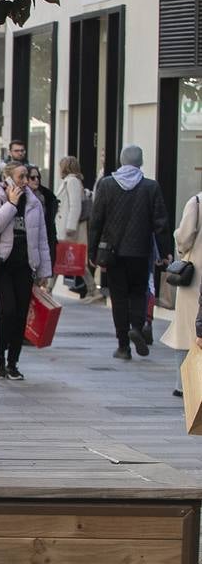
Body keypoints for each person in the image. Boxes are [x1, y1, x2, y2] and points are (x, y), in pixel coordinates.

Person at [88, 145, 174, 360]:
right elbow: (161, 223)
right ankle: (137, 326)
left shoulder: (107, 185)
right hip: (140, 251)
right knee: (138, 292)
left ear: (121, 160)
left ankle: (123, 346)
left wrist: (92, 251)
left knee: (118, 297)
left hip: (113, 253)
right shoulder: (151, 187)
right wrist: (165, 252)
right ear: (141, 162)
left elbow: (96, 221)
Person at [0, 161, 53, 380]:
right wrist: (11, 204)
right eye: (21, 177)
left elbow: (42, 239)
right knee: (7, 310)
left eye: (28, 177)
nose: (26, 181)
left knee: (20, 314)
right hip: (3, 265)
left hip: (25, 265)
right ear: (7, 178)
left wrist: (44, 270)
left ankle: (13, 362)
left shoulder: (35, 203)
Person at [164, 184, 201, 397]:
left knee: (186, 329)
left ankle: (183, 383)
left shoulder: (196, 202)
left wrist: (178, 237)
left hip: (195, 276)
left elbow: (184, 238)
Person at [55, 155, 98, 299]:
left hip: (70, 229)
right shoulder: (71, 181)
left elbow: (75, 206)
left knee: (66, 259)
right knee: (66, 259)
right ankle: (92, 289)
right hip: (67, 227)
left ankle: (48, 289)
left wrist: (70, 227)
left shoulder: (72, 181)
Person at [27, 165, 59, 275]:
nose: (36, 180)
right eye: (32, 177)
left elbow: (49, 223)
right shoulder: (20, 198)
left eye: (38, 177)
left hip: (44, 240)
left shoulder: (47, 196)